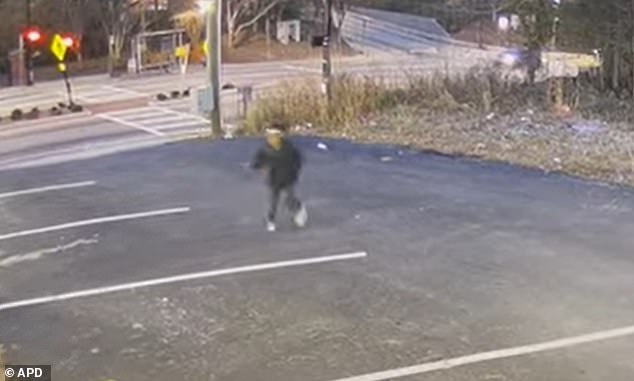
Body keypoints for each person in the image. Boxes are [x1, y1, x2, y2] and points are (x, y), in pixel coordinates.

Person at [251, 125, 307, 232]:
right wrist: (257, 166)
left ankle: (299, 209)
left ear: (280, 136)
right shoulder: (264, 149)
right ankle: (271, 220)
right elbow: (257, 161)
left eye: (274, 136)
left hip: (288, 178)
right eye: (269, 136)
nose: (271, 138)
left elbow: (297, 160)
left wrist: (295, 171)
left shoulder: (289, 148)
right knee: (273, 202)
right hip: (273, 179)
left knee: (289, 199)